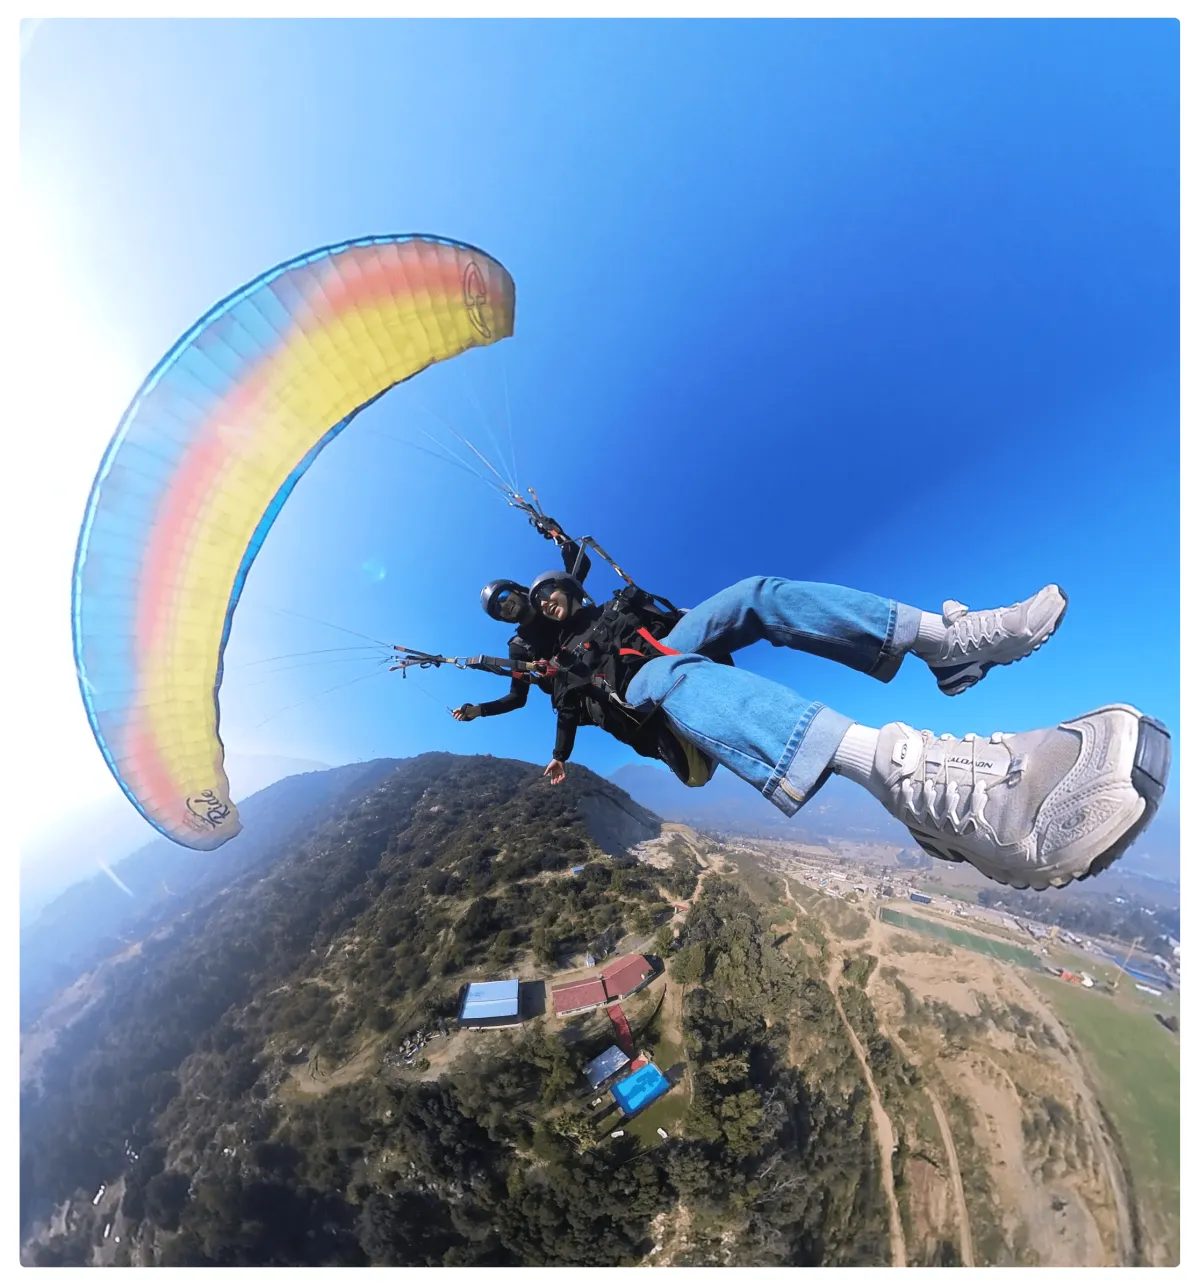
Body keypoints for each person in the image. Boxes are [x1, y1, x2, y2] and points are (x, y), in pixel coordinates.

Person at [527, 573, 1171, 891]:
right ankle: (899, 773)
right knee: (671, 674)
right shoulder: (563, 668)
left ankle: (943, 643)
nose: (548, 603)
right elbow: (565, 713)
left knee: (754, 592)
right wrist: (557, 753)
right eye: (537, 605)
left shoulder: (608, 608)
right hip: (652, 702)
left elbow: (577, 562)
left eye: (551, 592)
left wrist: (550, 532)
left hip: (671, 643)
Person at [450, 523, 591, 725]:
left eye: (503, 596)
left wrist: (557, 534)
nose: (503, 605)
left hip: (607, 658)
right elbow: (517, 697)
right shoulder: (519, 647)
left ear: (516, 590)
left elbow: (579, 565)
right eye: (497, 608)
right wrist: (479, 710)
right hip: (585, 697)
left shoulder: (551, 602)